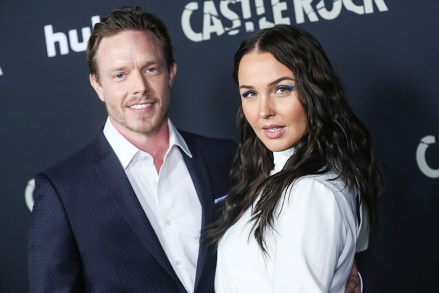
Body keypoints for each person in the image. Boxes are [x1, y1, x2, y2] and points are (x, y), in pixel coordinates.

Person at [27, 6, 236, 293]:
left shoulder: (226, 158)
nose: (139, 87)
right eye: (120, 75)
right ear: (97, 85)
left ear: (170, 72)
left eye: (151, 69)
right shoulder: (62, 192)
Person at [209, 24, 384, 292]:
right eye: (250, 94)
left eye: (282, 89)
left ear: (314, 91)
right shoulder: (284, 176)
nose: (264, 110)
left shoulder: (310, 191)